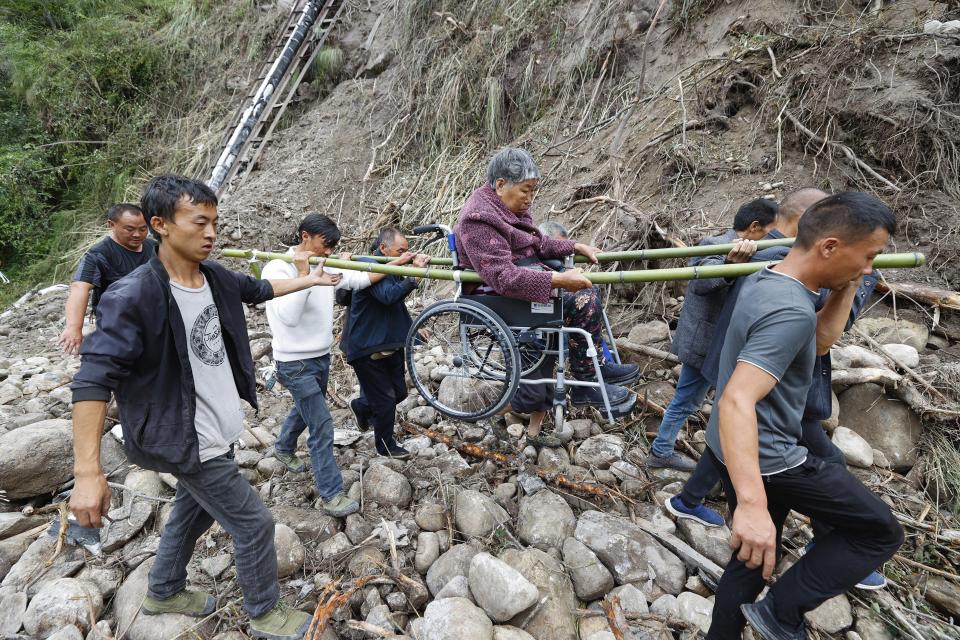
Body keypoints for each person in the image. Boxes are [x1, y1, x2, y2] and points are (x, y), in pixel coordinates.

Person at [69, 175, 342, 639]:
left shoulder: (213, 276)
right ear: (161, 224)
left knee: (189, 513)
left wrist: (309, 278)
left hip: (216, 431)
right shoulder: (133, 295)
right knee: (255, 523)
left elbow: (258, 291)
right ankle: (265, 614)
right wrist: (87, 472)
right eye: (200, 222)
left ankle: (163, 590)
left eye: (215, 222)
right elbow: (92, 381)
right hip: (181, 436)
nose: (212, 232)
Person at [703, 192, 904, 640]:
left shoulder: (768, 277)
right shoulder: (790, 310)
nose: (870, 269)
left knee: (752, 561)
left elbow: (817, 344)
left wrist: (847, 283)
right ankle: (782, 612)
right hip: (771, 456)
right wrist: (751, 505)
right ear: (829, 246)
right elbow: (736, 400)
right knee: (879, 532)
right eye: (868, 256)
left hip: (729, 446)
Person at [454, 147, 639, 410]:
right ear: (500, 184)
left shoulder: (509, 207)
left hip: (527, 278)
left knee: (587, 291)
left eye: (534, 191)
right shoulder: (478, 218)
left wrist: (575, 246)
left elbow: (537, 242)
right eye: (525, 190)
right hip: (499, 295)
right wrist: (559, 280)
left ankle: (595, 365)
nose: (530, 198)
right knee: (581, 298)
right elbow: (503, 277)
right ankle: (587, 383)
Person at [263, 214, 416, 515]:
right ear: (304, 236)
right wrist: (306, 275)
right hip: (294, 363)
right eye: (326, 245)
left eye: (334, 247)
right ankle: (331, 494)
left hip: (320, 358)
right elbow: (289, 317)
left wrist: (400, 263)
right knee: (321, 425)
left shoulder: (327, 262)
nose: (330, 252)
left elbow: (362, 278)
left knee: (306, 408)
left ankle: (282, 447)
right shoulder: (277, 267)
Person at [646, 198, 778, 472]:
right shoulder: (715, 244)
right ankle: (661, 450)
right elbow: (702, 282)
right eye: (769, 231)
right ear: (754, 227)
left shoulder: (754, 250)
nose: (772, 238)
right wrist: (730, 264)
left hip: (720, 343)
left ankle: (673, 450)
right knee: (687, 399)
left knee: (695, 399)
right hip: (704, 341)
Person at [344, 227, 430, 456]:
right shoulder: (369, 266)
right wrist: (414, 275)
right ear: (383, 248)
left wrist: (413, 329)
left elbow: (395, 304)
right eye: (401, 250)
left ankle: (361, 406)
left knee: (399, 393)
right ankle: (385, 447)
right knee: (385, 400)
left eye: (407, 251)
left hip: (388, 342)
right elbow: (387, 296)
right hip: (367, 345)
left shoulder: (391, 267)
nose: (405, 255)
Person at [58, 203, 157, 355]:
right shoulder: (99, 254)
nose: (137, 234)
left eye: (143, 229)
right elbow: (80, 288)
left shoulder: (155, 248)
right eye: (129, 229)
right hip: (118, 324)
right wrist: (74, 327)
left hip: (155, 319)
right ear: (112, 225)